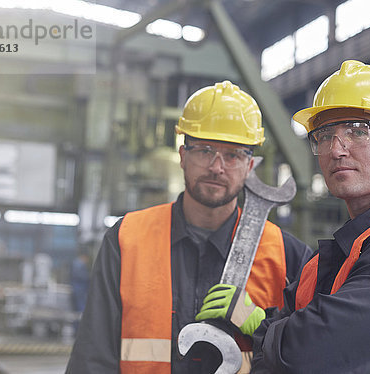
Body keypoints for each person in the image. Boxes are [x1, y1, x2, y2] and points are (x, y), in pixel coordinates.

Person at [197, 60, 370, 373]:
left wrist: (268, 333)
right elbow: (290, 344)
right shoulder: (326, 260)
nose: (336, 149)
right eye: (325, 134)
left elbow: (307, 354)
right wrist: (263, 323)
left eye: (359, 132)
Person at [65, 80, 312, 374]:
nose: (217, 167)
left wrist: (265, 326)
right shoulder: (126, 240)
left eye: (232, 154)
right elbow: (93, 359)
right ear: (183, 157)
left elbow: (314, 356)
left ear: (249, 167)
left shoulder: (288, 255)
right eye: (205, 150)